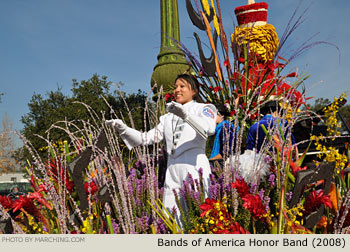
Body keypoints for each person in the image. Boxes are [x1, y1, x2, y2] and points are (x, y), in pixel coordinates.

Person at [106, 73, 217, 225]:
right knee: (171, 220)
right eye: (176, 87)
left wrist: (185, 115)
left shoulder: (203, 109)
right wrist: (124, 129)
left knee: (199, 217)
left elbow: (208, 129)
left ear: (194, 91)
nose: (177, 90)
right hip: (172, 171)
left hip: (194, 167)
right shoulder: (167, 118)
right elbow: (146, 138)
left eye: (182, 86)